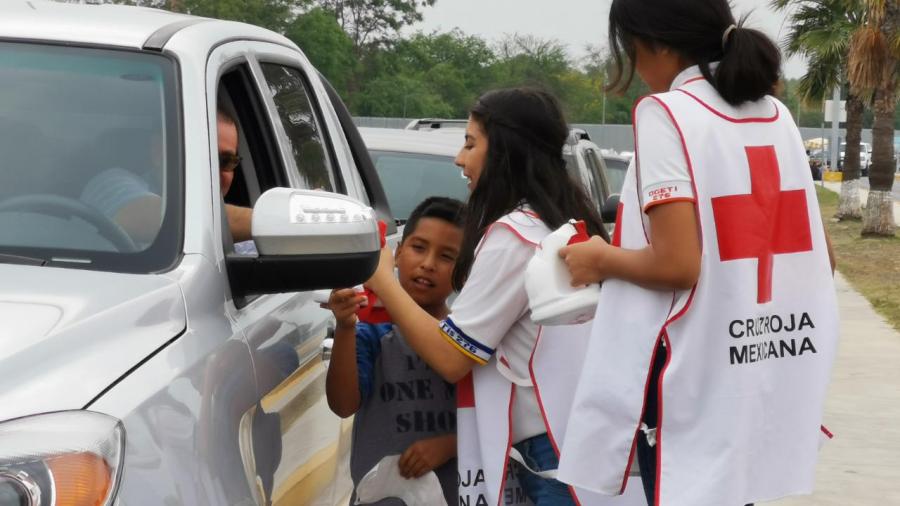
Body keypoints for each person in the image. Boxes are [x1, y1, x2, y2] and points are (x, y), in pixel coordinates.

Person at [554, 1, 838, 505]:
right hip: (758, 369)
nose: (634, 67)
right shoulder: (777, 114)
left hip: (691, 378)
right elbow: (822, 258)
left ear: (655, 43)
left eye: (630, 50)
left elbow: (677, 265)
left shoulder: (666, 113)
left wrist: (598, 258)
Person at [363, 88, 614, 506]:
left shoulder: (513, 236)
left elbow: (452, 358)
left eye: (470, 143)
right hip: (579, 437)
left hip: (553, 447)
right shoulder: (559, 221)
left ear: (503, 150)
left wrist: (382, 280)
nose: (460, 159)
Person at [324, 196, 465, 506]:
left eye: (447, 256)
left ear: (464, 271)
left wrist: (451, 445)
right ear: (397, 253)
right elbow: (344, 404)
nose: (428, 263)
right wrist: (346, 327)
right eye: (418, 247)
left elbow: (497, 421)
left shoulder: (468, 341)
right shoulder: (372, 333)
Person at [80, 107, 252, 249]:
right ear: (157, 151)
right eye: (201, 154)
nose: (213, 170)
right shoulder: (110, 185)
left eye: (227, 161)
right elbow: (166, 218)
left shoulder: (242, 241)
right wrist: (271, 220)